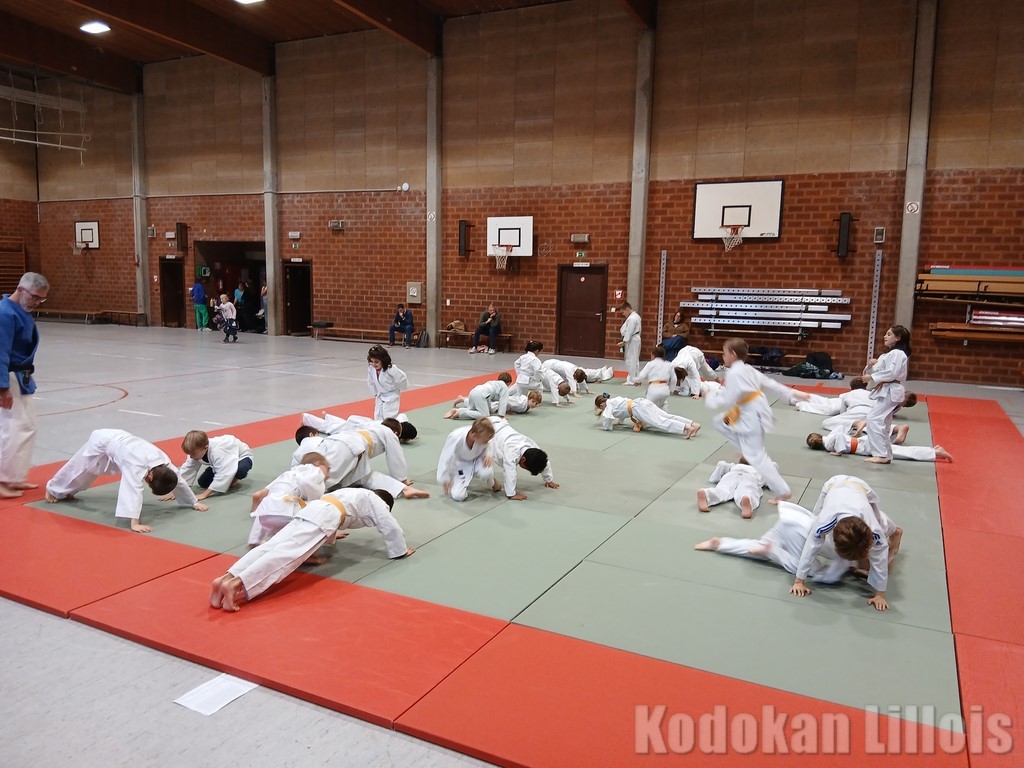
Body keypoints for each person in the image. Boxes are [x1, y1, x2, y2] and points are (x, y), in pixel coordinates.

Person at [210, 488, 410, 612]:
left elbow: (341, 511)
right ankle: (237, 584)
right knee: (286, 555)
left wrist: (332, 532)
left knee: (272, 546)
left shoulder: (353, 492)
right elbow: (389, 525)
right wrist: (401, 550)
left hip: (311, 510)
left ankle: (226, 578)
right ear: (386, 503)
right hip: (325, 517)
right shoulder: (377, 501)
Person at [704, 338, 809, 503]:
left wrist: (710, 399)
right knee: (720, 422)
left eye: (724, 353)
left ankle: (783, 492)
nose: (723, 357)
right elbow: (770, 383)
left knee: (757, 458)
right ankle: (746, 450)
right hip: (749, 410)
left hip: (750, 414)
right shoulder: (747, 369)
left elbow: (729, 398)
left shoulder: (734, 373)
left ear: (733, 354)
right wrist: (793, 393)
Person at [45, 428, 207, 533]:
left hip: (122, 442)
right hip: (103, 440)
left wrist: (193, 502)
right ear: (150, 477)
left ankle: (65, 492)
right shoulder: (135, 465)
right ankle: (52, 489)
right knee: (79, 469)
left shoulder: (163, 463)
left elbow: (178, 480)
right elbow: (132, 491)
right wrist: (134, 523)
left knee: (90, 472)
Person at [790, 475, 902, 611]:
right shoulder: (824, 522)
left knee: (881, 527)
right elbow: (811, 547)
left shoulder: (873, 529)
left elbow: (880, 555)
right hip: (833, 485)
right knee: (813, 522)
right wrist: (799, 581)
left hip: (861, 488)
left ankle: (896, 531)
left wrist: (880, 594)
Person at [694, 501, 851, 585]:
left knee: (760, 546)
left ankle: (720, 544)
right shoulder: (846, 552)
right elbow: (829, 576)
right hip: (797, 532)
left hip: (790, 519)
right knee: (812, 569)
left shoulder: (847, 526)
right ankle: (772, 551)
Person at [0, 272, 48, 499]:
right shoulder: (4, 314)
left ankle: (15, 476)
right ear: (20, 289)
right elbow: (0, 352)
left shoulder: (21, 312)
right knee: (11, 428)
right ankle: (3, 479)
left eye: (40, 299)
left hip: (22, 376)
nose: (36, 302)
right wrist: (2, 387)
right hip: (9, 376)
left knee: (27, 426)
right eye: (34, 297)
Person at [292, 420, 428, 499]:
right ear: (396, 433)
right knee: (326, 475)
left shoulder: (373, 425)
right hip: (349, 448)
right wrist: (402, 478)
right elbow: (396, 456)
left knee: (363, 477)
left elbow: (350, 421)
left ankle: (402, 489)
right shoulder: (388, 433)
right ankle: (300, 493)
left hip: (338, 442)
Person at [854, 325, 912, 464]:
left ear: (898, 338)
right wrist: (871, 366)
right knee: (884, 424)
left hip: (891, 390)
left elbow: (891, 373)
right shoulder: (887, 355)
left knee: (873, 418)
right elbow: (873, 372)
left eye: (889, 334)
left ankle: (880, 454)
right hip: (886, 390)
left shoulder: (898, 353)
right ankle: (886, 455)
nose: (885, 336)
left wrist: (871, 377)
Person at [246, 452, 331, 547]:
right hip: (285, 514)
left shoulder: (288, 474)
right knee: (315, 511)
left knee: (268, 504)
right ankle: (319, 539)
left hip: (266, 517)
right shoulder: (314, 471)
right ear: (318, 463)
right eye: (328, 468)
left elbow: (257, 495)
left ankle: (254, 540)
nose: (328, 474)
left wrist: (254, 512)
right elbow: (313, 499)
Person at [487, 416, 558, 500]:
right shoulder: (512, 453)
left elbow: (544, 462)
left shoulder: (532, 447)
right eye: (526, 468)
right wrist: (511, 494)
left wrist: (548, 480)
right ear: (523, 459)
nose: (525, 469)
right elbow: (510, 472)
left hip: (497, 423)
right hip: (486, 429)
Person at [172, 430, 254, 502]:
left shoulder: (218, 451)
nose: (190, 456)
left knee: (240, 471)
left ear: (206, 448)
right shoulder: (195, 449)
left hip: (241, 458)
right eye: (189, 454)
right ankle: (220, 470)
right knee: (203, 482)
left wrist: (204, 494)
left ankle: (234, 478)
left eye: (193, 454)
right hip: (223, 460)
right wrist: (177, 490)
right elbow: (188, 469)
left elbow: (224, 473)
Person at [806, 427, 953, 463]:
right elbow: (839, 431)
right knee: (899, 450)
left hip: (866, 446)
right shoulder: (829, 437)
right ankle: (932, 450)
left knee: (899, 453)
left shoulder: (828, 443)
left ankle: (934, 453)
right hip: (865, 443)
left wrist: (838, 452)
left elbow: (839, 438)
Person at [437, 418, 497, 501]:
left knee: (487, 472)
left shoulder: (483, 432)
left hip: (478, 458)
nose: (486, 442)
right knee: (458, 496)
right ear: (474, 436)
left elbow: (489, 442)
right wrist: (444, 478)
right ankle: (462, 480)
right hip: (461, 464)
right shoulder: (455, 436)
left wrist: (488, 454)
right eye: (485, 441)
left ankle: (493, 482)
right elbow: (445, 457)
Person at [594, 393, 700, 437]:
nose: (602, 410)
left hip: (638, 408)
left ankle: (687, 428)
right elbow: (620, 415)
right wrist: (618, 422)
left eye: (601, 408)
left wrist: (605, 428)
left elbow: (607, 419)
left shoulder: (608, 405)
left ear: (602, 404)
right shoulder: (614, 400)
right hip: (641, 402)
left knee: (659, 422)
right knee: (666, 416)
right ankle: (693, 424)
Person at [696, 459, 767, 519]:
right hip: (750, 477)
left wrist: (715, 478)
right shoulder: (759, 471)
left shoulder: (734, 466)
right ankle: (746, 499)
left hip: (731, 475)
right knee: (747, 489)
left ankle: (707, 494)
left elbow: (721, 467)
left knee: (723, 489)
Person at [444, 372, 512, 419]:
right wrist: (501, 415)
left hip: (474, 391)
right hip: (481, 395)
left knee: (474, 409)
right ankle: (459, 412)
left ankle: (462, 400)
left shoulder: (493, 382)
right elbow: (503, 402)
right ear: (508, 383)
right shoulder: (504, 387)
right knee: (484, 415)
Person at [367, 344, 408, 420]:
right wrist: (375, 393)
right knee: (378, 417)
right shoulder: (371, 368)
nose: (374, 364)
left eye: (376, 362)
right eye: (371, 361)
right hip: (380, 395)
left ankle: (401, 422)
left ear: (383, 360)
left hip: (391, 395)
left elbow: (402, 378)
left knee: (389, 418)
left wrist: (403, 387)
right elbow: (370, 382)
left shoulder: (391, 369)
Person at [618, 301, 642, 385]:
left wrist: (624, 341)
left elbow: (629, 331)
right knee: (634, 359)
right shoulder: (635, 316)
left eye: (623, 312)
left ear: (627, 309)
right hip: (634, 339)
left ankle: (631, 380)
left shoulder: (632, 318)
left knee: (631, 360)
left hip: (633, 339)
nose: (623, 314)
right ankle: (635, 378)